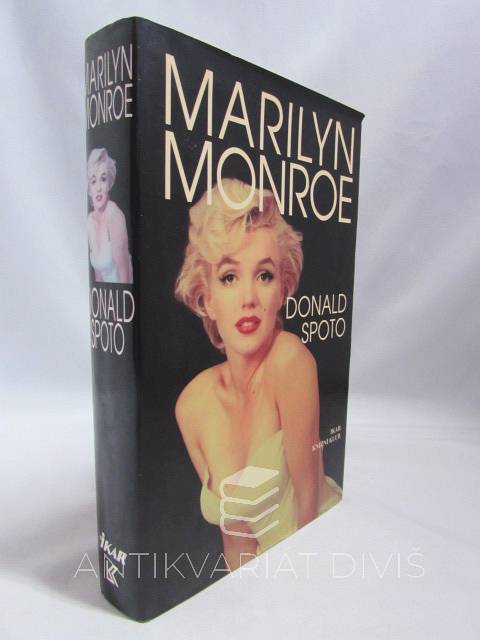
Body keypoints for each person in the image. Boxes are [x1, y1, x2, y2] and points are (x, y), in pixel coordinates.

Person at [175, 179, 341, 571]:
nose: (248, 298)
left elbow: (308, 514)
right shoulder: (191, 406)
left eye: (264, 275)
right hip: (265, 578)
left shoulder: (289, 361)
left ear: (282, 289)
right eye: (229, 278)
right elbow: (236, 538)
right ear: (206, 298)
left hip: (321, 557)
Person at [87, 148, 133, 284]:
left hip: (124, 290)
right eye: (94, 181)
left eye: (103, 179)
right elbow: (98, 278)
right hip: (108, 295)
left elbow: (125, 275)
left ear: (109, 184)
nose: (99, 188)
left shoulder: (113, 213)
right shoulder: (89, 221)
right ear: (89, 189)